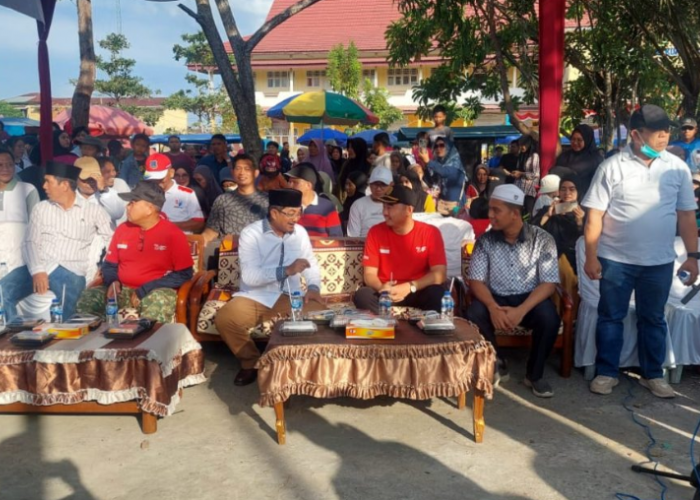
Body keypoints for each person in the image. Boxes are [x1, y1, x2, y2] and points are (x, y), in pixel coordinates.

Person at [583, 104, 699, 399]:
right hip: (615, 259)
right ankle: (607, 372)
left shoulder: (677, 168)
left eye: (666, 130)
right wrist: (591, 255)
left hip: (659, 262)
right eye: (657, 131)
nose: (664, 136)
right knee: (611, 316)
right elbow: (594, 215)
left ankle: (652, 374)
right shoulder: (612, 167)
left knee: (654, 318)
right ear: (636, 134)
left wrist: (693, 256)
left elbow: (686, 215)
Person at [214, 188, 326, 385]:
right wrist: (286, 270)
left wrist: (314, 287)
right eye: (290, 213)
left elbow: (310, 263)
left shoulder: (300, 233)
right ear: (274, 213)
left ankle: (305, 367)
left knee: (324, 317)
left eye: (298, 212)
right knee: (226, 319)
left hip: (290, 295)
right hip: (256, 296)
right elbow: (250, 277)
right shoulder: (251, 233)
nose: (296, 219)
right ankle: (251, 364)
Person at [466, 184, 560, 398]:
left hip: (529, 298)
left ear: (515, 213)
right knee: (474, 313)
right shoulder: (485, 241)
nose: (490, 215)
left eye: (496, 210)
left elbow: (549, 282)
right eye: (490, 209)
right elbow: (476, 280)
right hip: (496, 297)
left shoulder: (542, 239)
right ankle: (498, 361)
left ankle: (534, 374)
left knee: (549, 317)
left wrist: (522, 310)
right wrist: (492, 307)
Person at [1, 161, 113, 321]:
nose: (44, 186)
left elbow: (112, 239)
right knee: (3, 289)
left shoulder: (93, 211)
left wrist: (104, 267)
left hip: (71, 269)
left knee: (71, 306)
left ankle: (66, 343)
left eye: (49, 181)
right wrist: (37, 270)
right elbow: (30, 242)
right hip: (40, 265)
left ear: (65, 185)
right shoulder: (41, 208)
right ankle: (13, 334)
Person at [75, 181, 193, 323]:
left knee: (157, 301)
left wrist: (145, 289)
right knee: (90, 297)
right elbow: (109, 265)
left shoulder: (173, 234)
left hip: (155, 291)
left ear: (149, 208)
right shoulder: (123, 229)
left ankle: (150, 344)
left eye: (132, 202)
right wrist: (113, 281)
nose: (127, 206)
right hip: (123, 290)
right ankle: (92, 343)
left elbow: (184, 274)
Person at [354, 185, 447, 313]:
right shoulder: (375, 232)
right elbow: (369, 274)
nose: (385, 212)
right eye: (384, 207)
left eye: (390, 207)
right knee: (362, 295)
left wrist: (410, 287)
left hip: (416, 291)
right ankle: (385, 324)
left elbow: (439, 274)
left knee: (438, 294)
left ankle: (420, 326)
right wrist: (382, 287)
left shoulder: (430, 233)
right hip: (385, 294)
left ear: (408, 210)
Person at [201, 153, 269, 245]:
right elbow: (211, 231)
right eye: (238, 168)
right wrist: (200, 243)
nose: (242, 173)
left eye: (247, 169)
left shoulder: (268, 200)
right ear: (232, 172)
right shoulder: (223, 200)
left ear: (256, 173)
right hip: (230, 255)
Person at [0, 150, 40, 293]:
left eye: (10, 165)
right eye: (1, 165)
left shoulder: (28, 190)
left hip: (20, 262)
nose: (5, 169)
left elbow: (36, 227)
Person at [142, 153, 205, 234]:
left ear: (171, 172)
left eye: (160, 178)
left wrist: (166, 226)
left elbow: (198, 223)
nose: (156, 181)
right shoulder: (144, 194)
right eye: (153, 178)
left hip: (178, 243)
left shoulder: (187, 194)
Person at [285, 163, 342, 237]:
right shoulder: (285, 206)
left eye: (295, 182)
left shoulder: (327, 207)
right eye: (289, 182)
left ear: (308, 185)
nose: (290, 186)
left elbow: (336, 237)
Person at [75, 157, 127, 229]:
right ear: (76, 178)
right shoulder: (69, 195)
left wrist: (103, 191)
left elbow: (118, 214)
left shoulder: (109, 193)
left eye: (94, 179)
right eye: (86, 179)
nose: (91, 183)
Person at [422, 137, 466, 216]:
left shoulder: (456, 163)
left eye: (442, 145)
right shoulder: (437, 163)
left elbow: (444, 172)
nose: (439, 148)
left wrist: (428, 161)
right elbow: (431, 180)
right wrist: (425, 165)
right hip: (441, 205)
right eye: (436, 146)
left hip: (456, 206)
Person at [555, 124, 603, 196]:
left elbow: (576, 170)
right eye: (573, 139)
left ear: (587, 140)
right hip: (565, 196)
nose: (575, 142)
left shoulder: (595, 158)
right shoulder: (565, 155)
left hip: (586, 197)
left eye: (579, 140)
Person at [347, 167, 394, 237]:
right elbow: (353, 238)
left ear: (391, 185)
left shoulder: (397, 206)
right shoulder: (358, 205)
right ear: (369, 184)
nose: (378, 188)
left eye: (383, 184)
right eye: (375, 184)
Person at [511, 134, 540, 215]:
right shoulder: (522, 155)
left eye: (524, 145)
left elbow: (536, 174)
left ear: (529, 144)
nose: (522, 147)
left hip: (529, 192)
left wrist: (521, 174)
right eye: (520, 145)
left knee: (528, 214)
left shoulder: (534, 156)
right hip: (519, 189)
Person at [337, 137, 370, 202]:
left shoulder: (368, 167)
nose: (349, 150)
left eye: (352, 147)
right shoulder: (347, 164)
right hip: (346, 200)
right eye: (348, 147)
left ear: (359, 148)